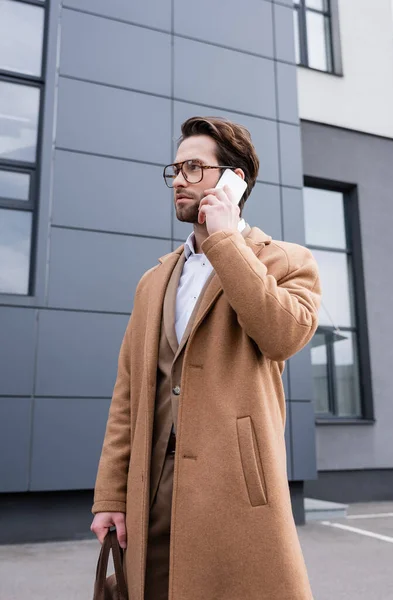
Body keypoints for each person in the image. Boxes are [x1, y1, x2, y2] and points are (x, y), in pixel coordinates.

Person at [91, 116, 321, 600]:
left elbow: (283, 336)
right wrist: (111, 496)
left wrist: (225, 241)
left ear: (234, 179)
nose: (177, 179)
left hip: (235, 490)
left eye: (193, 168)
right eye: (175, 169)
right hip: (150, 486)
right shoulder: (153, 281)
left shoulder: (286, 261)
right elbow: (127, 395)